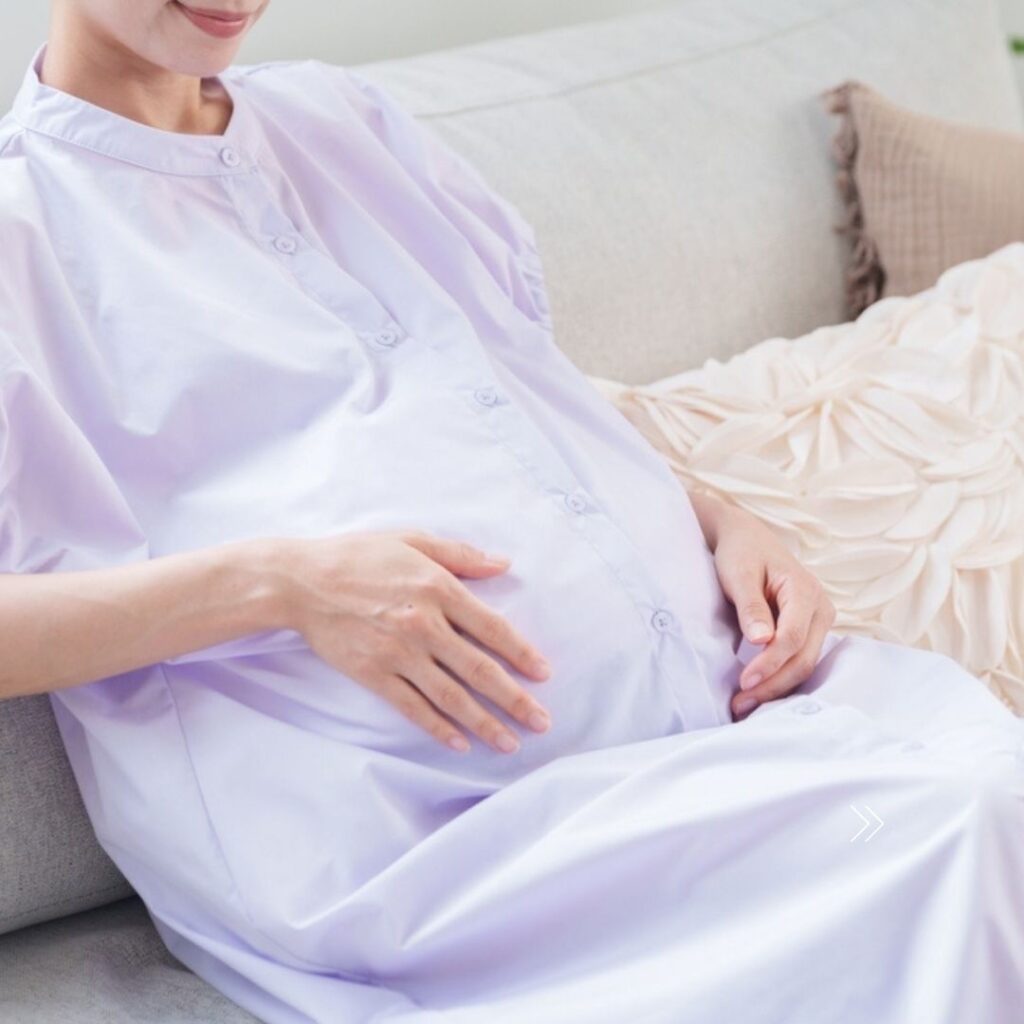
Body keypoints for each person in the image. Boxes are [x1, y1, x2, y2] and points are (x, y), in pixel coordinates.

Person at [0, 2, 1022, 1022]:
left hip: (721, 717)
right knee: (958, 832)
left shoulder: (341, 119)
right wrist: (280, 585)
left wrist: (720, 524)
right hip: (439, 844)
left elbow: (527, 402)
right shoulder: (23, 236)